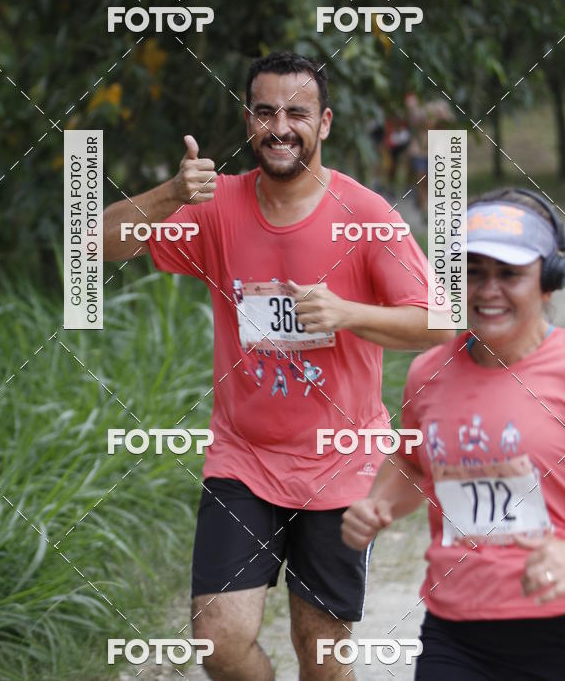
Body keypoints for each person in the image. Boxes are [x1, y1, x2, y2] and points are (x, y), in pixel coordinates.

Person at [103, 51, 451, 680]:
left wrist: (345, 313)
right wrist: (172, 193)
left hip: (340, 464)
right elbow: (88, 243)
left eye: (298, 112)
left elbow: (438, 320)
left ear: (326, 125)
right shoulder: (215, 208)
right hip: (243, 457)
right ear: (248, 121)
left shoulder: (366, 216)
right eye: (266, 112)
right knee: (218, 640)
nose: (281, 126)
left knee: (319, 652)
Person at [342, 188, 565, 680]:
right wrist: (377, 505)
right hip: (456, 629)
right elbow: (414, 462)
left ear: (548, 282)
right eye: (473, 272)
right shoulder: (428, 372)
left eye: (509, 274)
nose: (488, 291)